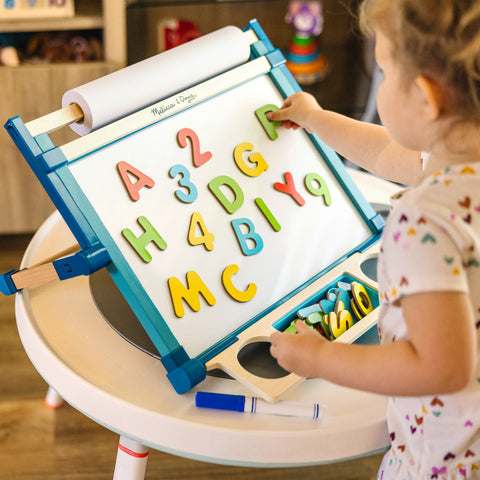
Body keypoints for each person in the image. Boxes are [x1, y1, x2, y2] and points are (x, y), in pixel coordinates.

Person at [267, 0, 480, 478]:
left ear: (427, 99)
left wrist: (321, 357)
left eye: (383, 72)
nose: (379, 83)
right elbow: (386, 150)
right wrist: (316, 118)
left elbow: (440, 368)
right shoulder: (451, 159)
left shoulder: (423, 219)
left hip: (446, 461)